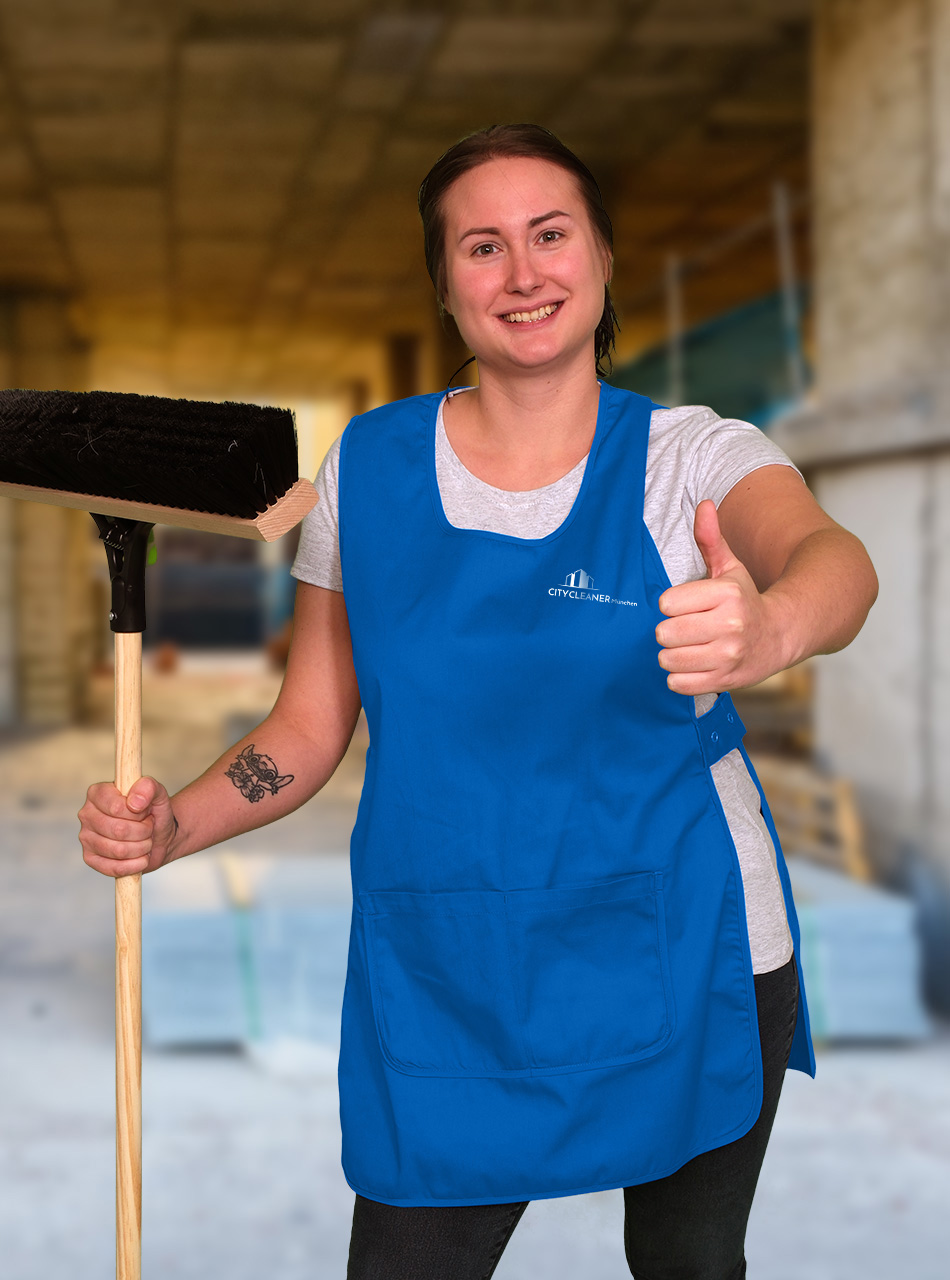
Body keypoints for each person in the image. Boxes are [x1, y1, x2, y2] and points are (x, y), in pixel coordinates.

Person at [78, 124, 879, 1279]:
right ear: (446, 288)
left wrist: (773, 626)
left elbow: (830, 558)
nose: (522, 272)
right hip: (450, 955)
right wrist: (174, 824)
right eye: (481, 246)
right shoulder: (367, 467)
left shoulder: (686, 456)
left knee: (688, 1264)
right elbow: (309, 726)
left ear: (600, 259)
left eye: (550, 235)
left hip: (676, 931)